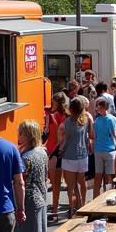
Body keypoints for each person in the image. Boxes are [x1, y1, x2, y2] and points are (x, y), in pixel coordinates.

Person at [14, 120, 48, 232]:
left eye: (21, 133)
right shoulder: (41, 152)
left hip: (27, 200)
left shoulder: (25, 158)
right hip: (40, 197)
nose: (18, 136)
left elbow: (20, 181)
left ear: (28, 135)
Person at [58, 96, 93, 217]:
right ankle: (82, 204)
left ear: (71, 109)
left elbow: (63, 142)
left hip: (69, 157)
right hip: (83, 155)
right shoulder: (86, 120)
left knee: (71, 185)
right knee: (81, 182)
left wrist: (60, 151)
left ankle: (72, 207)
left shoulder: (66, 123)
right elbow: (90, 136)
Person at [45, 92, 68, 222]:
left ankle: (54, 210)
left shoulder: (51, 117)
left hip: (53, 151)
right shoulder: (67, 116)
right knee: (61, 182)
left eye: (52, 101)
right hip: (64, 151)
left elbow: (47, 133)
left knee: (54, 183)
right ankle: (65, 208)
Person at [92, 95, 116, 198]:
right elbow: (115, 135)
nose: (97, 109)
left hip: (100, 150)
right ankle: (107, 197)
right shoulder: (112, 119)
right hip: (109, 150)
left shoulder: (97, 121)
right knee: (108, 177)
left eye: (98, 107)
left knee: (99, 176)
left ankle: (96, 198)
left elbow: (95, 136)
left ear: (102, 108)